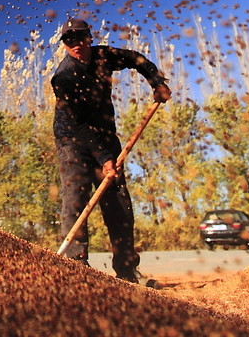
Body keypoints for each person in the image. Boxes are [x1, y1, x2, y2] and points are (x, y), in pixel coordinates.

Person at [51, 18, 171, 283]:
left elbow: (135, 59)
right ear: (65, 45)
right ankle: (74, 269)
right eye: (69, 40)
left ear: (89, 38)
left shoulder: (104, 56)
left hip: (105, 136)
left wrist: (156, 81)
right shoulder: (64, 76)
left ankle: (127, 271)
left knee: (118, 204)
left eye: (80, 38)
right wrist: (105, 158)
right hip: (73, 140)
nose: (76, 45)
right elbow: (78, 124)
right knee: (75, 199)